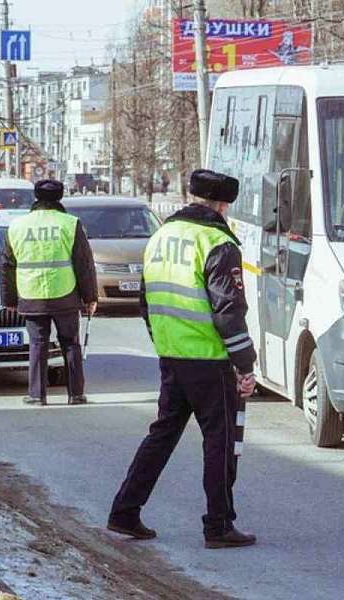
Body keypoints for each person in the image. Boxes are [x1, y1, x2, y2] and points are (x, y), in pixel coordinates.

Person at [108, 169, 258, 549]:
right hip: (210, 359)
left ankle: (125, 511)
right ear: (223, 205)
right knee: (220, 442)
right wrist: (245, 364)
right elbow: (228, 311)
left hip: (173, 356)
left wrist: (164, 341)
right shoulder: (217, 241)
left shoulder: (160, 237)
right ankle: (219, 525)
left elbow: (146, 301)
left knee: (161, 436)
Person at [0, 179, 98, 406]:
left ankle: (36, 394)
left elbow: (7, 265)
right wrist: (90, 297)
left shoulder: (17, 225)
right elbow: (83, 263)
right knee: (71, 343)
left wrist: (9, 299)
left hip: (31, 293)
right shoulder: (70, 223)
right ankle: (76, 394)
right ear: (60, 197)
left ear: (36, 197)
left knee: (37, 344)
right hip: (65, 292)